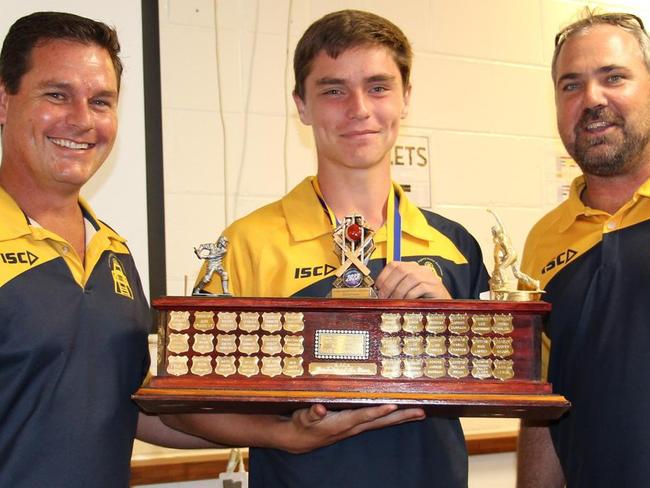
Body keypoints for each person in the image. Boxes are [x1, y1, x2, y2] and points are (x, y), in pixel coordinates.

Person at [172, 9, 489, 487]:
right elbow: (183, 407)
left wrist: (449, 327)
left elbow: (497, 384)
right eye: (333, 90)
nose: (359, 108)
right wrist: (284, 434)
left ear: (406, 98)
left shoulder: (456, 246)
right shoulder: (246, 244)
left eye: (379, 87)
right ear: (302, 105)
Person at [0, 12, 227, 488]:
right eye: (56, 94)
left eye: (100, 101)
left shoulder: (112, 251)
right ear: (4, 100)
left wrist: (282, 428)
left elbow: (133, 410)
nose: (81, 119)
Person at [517, 10, 650, 488]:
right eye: (570, 85)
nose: (592, 99)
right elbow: (543, 405)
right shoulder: (543, 243)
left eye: (613, 77)